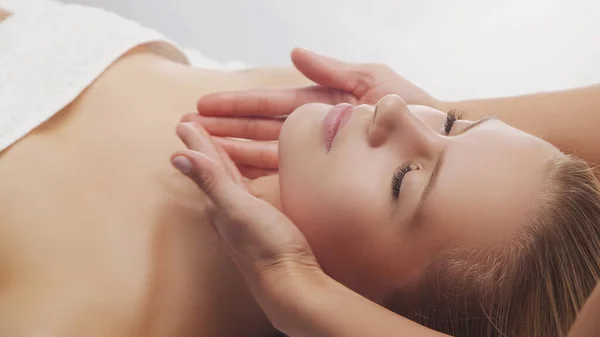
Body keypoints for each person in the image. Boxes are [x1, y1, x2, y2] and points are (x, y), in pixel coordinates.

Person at [0, 3, 599, 337]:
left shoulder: (79, 316)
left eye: (403, 180)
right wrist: (445, 113)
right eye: (452, 126)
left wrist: (295, 282)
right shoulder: (300, 113)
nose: (394, 111)